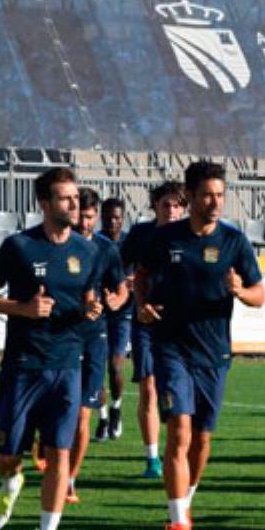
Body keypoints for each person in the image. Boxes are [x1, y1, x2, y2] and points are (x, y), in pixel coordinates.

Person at [0, 167, 102, 530]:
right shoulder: (19, 247)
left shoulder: (88, 251)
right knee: (9, 454)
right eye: (65, 198)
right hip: (23, 367)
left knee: (59, 452)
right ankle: (11, 481)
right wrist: (23, 308)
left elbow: (90, 298)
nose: (74, 203)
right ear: (44, 203)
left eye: (75, 197)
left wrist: (92, 309)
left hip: (67, 366)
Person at [135, 162, 265, 530]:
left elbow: (260, 294)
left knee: (202, 439)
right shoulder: (166, 238)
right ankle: (177, 525)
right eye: (208, 194)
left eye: (221, 195)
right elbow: (140, 275)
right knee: (179, 432)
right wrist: (142, 305)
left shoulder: (234, 242)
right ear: (190, 196)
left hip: (214, 351)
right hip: (171, 346)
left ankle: (185, 501)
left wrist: (241, 292)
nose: (215, 202)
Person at [65, 188, 128, 503]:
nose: (84, 223)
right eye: (80, 216)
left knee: (82, 415)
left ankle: (70, 480)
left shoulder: (106, 249)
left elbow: (120, 288)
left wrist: (116, 300)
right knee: (57, 407)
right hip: (60, 336)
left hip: (94, 336)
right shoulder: (55, 245)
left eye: (90, 217)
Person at [120, 181, 186, 478]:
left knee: (175, 391)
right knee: (147, 386)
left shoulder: (191, 236)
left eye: (177, 205)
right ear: (155, 207)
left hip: (181, 323)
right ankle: (152, 458)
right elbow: (119, 266)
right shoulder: (140, 235)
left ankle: (180, 450)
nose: (171, 210)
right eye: (165, 205)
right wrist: (127, 283)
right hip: (145, 320)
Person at [94, 196, 130, 442]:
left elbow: (139, 272)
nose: (112, 222)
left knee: (116, 365)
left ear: (122, 218)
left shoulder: (130, 243)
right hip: (98, 311)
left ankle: (116, 408)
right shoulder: (94, 243)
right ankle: (103, 416)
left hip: (124, 312)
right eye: (108, 218)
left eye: (116, 218)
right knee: (97, 369)